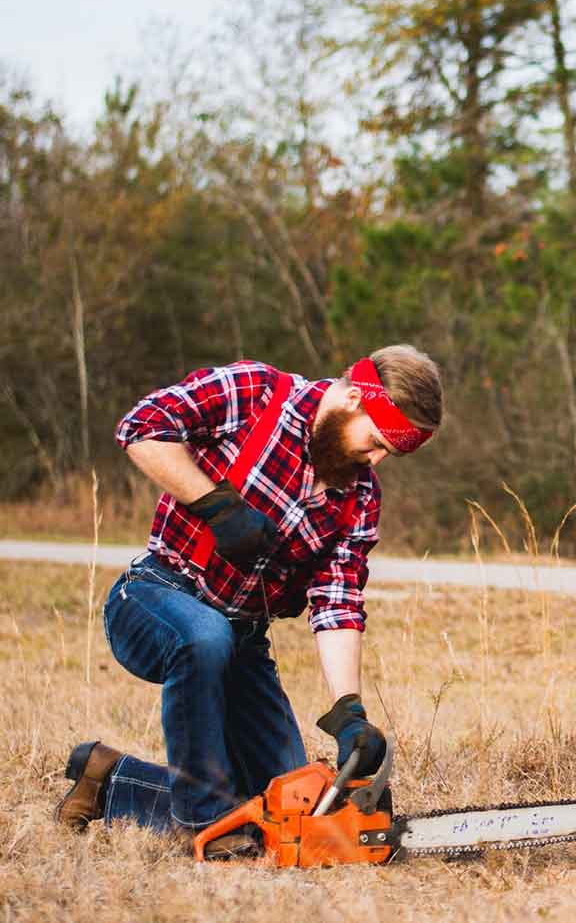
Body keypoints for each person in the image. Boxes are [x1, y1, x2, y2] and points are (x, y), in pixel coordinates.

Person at [55, 345, 442, 857]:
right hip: (154, 596)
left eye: (389, 453)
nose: (374, 460)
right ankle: (203, 824)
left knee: (293, 817)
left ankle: (108, 779)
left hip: (242, 641)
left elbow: (338, 600)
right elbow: (141, 426)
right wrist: (215, 505)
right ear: (354, 398)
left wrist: (348, 710)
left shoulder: (360, 496)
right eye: (374, 442)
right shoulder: (256, 393)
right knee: (205, 636)